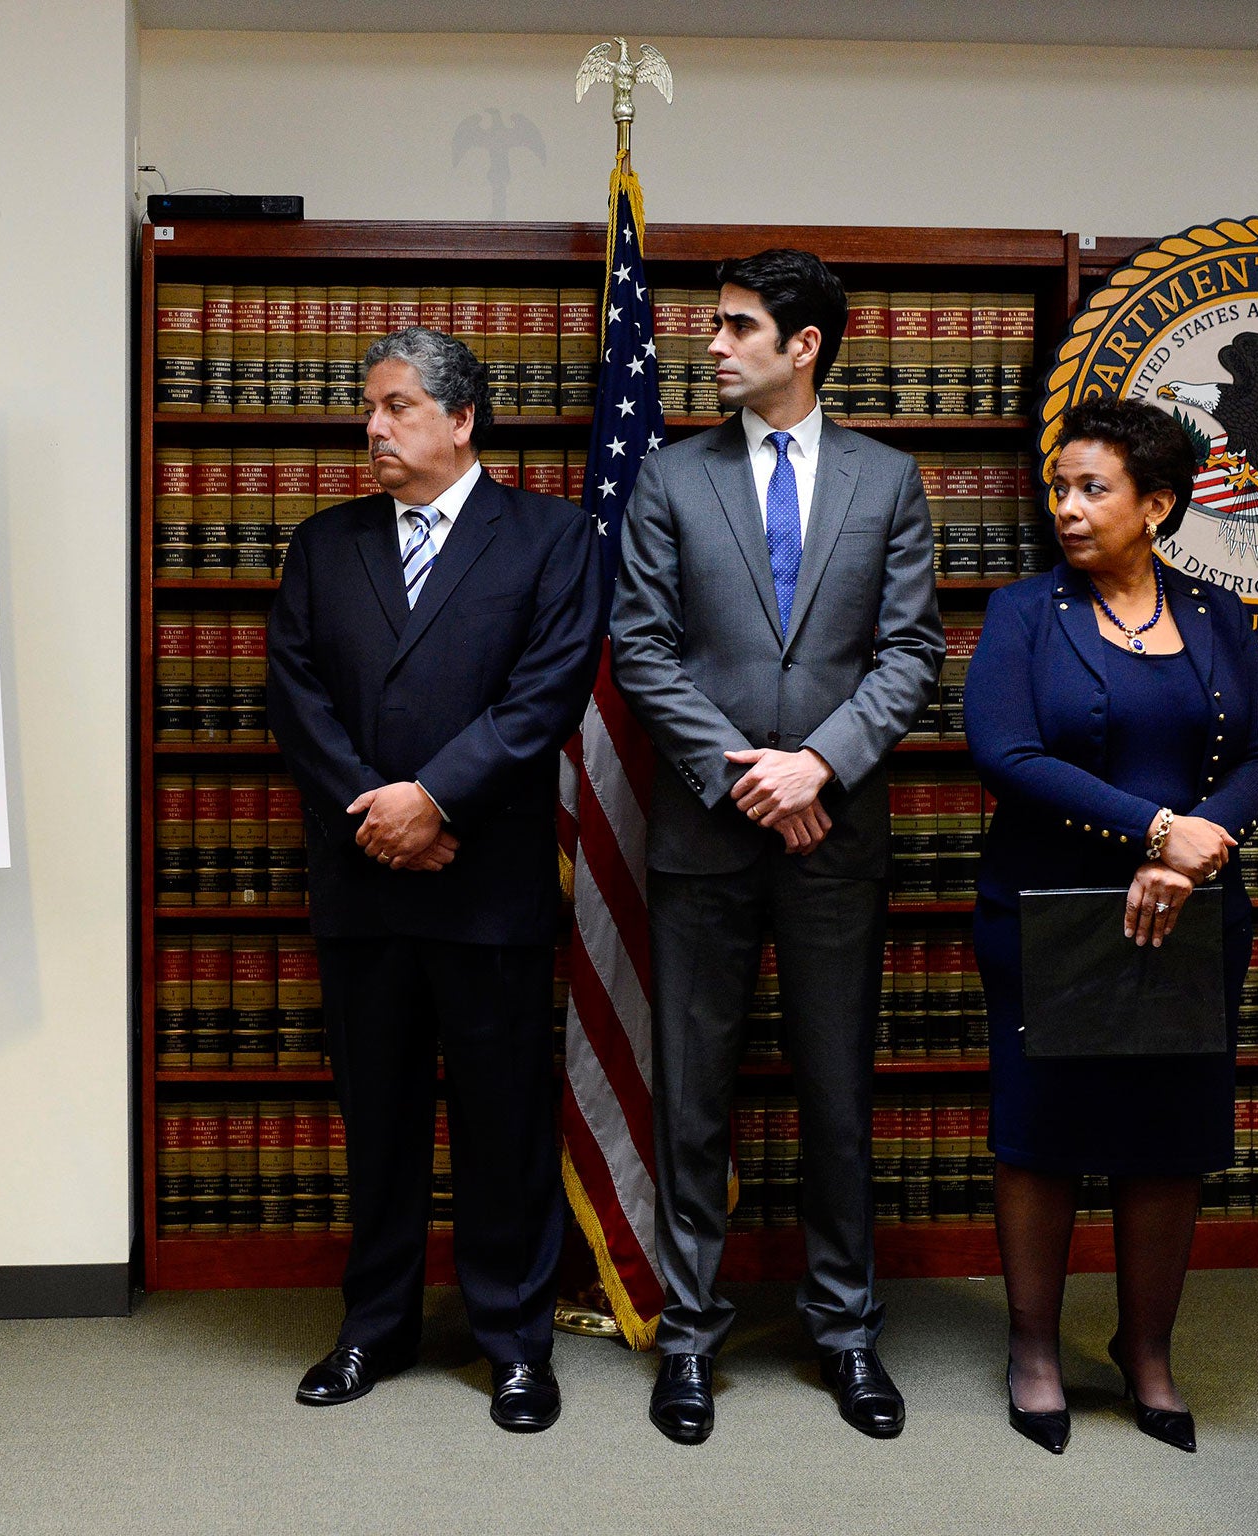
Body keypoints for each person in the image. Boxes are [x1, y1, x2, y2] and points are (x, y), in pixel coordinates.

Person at [611, 249, 944, 1444]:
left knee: (834, 1093)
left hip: (835, 833)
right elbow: (639, 646)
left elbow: (909, 651)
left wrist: (819, 764)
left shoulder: (887, 478)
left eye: (737, 327)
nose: (710, 345)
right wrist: (747, 773)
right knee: (693, 1097)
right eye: (711, 326)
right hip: (704, 834)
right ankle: (688, 1338)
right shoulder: (666, 475)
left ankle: (844, 1332)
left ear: (804, 346)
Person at [266, 326, 603, 1433]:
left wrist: (435, 802)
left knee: (503, 1123)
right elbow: (296, 698)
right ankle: (375, 1327)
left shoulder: (552, 539)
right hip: (365, 880)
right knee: (379, 1116)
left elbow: (544, 696)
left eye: (397, 406)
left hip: (487, 882)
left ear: (460, 421)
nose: (372, 427)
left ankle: (514, 1342)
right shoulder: (323, 545)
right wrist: (381, 812)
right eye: (370, 407)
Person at [964, 395, 1258, 1454]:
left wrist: (1195, 850)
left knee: (1165, 1138)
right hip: (1047, 910)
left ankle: (1144, 1354)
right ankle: (1033, 1355)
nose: (1063, 506)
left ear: (1153, 505)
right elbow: (1004, 753)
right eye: (1057, 486)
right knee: (1044, 1136)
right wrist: (1156, 832)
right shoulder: (1022, 612)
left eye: (1090, 489)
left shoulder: (1215, 614)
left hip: (1191, 919)